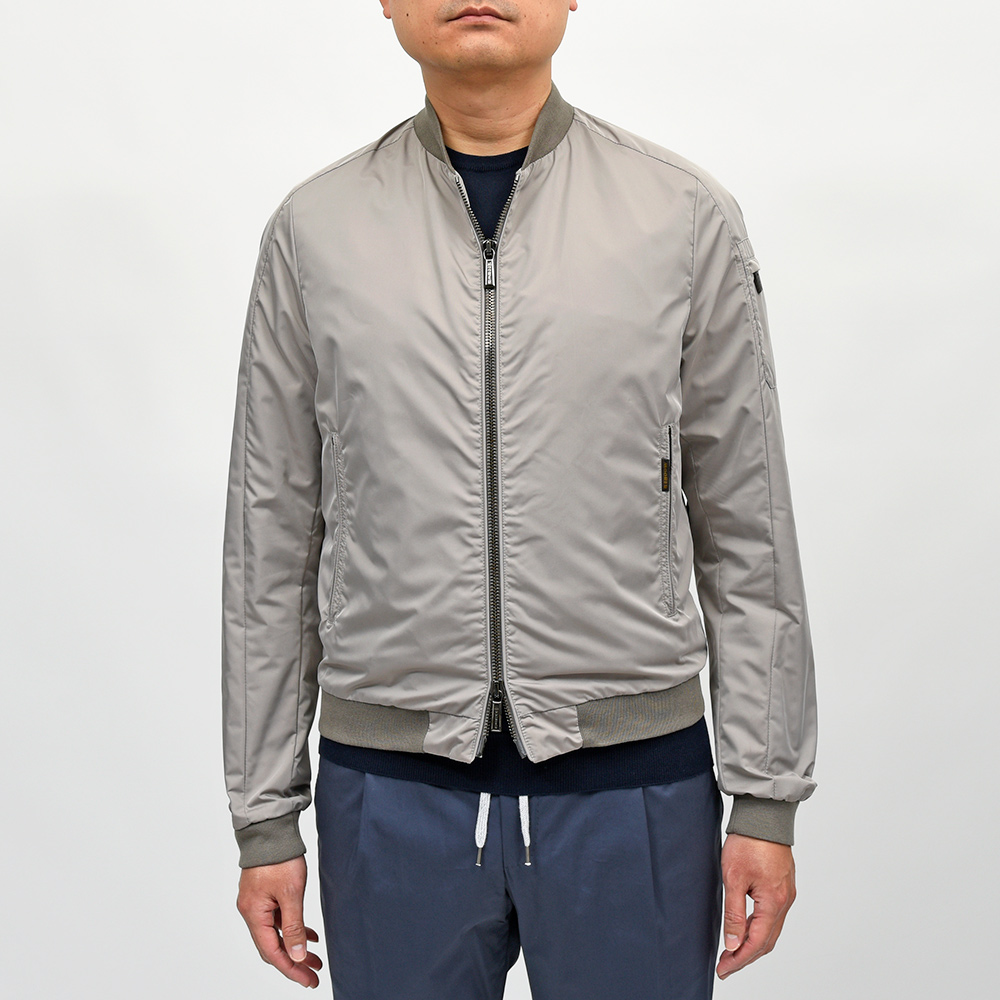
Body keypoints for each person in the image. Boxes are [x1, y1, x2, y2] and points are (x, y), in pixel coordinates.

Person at [222, 1, 818, 996]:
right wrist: (265, 816)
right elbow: (269, 539)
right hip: (390, 794)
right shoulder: (313, 231)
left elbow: (748, 526)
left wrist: (765, 797)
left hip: (634, 789)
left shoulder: (681, 217)